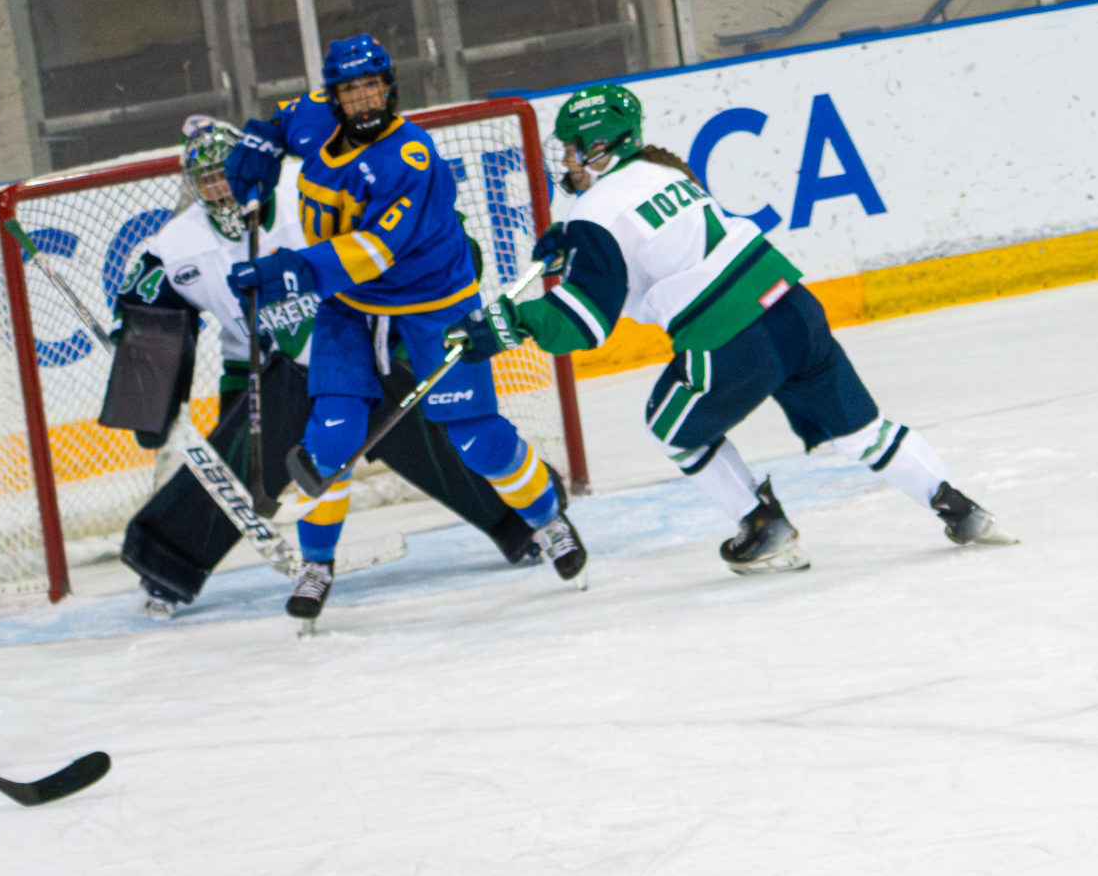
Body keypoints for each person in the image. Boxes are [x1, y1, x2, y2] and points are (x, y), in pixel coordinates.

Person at [446, 82, 1012, 574]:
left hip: (731, 338)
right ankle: (961, 509)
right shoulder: (663, 172)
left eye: (572, 147)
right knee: (862, 430)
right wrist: (576, 252)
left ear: (599, 149)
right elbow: (653, 246)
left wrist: (508, 324)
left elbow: (584, 323)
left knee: (672, 428)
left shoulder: (592, 213)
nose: (565, 159)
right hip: (792, 305)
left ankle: (764, 526)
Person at [106, 118, 545, 617]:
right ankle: (166, 568)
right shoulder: (177, 247)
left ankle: (526, 522)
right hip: (267, 373)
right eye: (208, 180)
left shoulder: (314, 188)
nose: (223, 188)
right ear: (193, 186)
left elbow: (413, 224)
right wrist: (143, 378)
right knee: (238, 467)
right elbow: (148, 314)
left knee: (430, 429)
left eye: (228, 172)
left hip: (365, 340)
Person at [221, 34, 584, 621]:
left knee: (479, 440)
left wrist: (290, 272)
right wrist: (260, 139)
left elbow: (376, 249)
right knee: (331, 440)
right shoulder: (317, 116)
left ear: (389, 87)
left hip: (431, 300)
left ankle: (549, 521)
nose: (364, 100)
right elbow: (284, 122)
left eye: (372, 87)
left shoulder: (409, 157)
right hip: (348, 304)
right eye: (351, 91)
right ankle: (317, 565)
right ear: (334, 96)